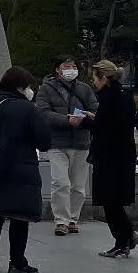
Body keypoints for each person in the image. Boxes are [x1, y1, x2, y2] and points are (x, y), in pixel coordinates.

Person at [0, 66, 51, 273]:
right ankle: (17, 262)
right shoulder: (27, 109)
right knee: (19, 218)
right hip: (19, 170)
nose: (31, 90)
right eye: (29, 86)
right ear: (20, 87)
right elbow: (44, 141)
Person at [34, 55, 99, 236]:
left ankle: (73, 218)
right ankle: (61, 220)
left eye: (73, 66)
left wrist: (86, 117)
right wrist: (66, 120)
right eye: (66, 66)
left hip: (81, 142)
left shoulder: (84, 89)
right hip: (57, 142)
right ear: (57, 69)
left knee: (78, 186)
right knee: (60, 182)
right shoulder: (46, 89)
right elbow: (43, 112)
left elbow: (96, 109)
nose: (71, 69)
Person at [89, 59, 138, 258]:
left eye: (95, 78)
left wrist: (85, 120)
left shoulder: (108, 98)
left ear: (103, 78)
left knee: (110, 202)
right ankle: (126, 236)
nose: (94, 82)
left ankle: (123, 239)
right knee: (115, 201)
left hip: (109, 156)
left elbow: (102, 127)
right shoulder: (125, 96)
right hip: (124, 154)